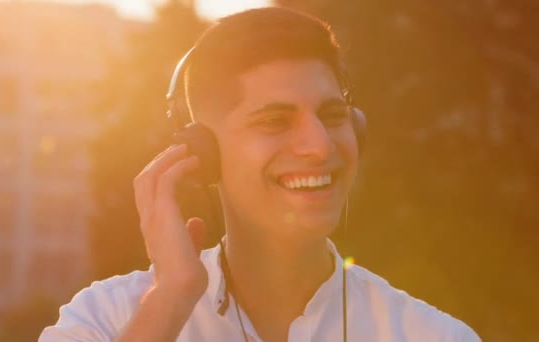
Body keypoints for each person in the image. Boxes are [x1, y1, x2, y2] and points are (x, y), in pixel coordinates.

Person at [40, 7, 480, 342]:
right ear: (202, 153)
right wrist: (171, 298)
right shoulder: (105, 319)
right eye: (275, 121)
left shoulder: (432, 335)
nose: (321, 146)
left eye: (332, 115)